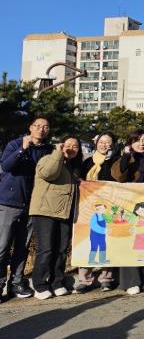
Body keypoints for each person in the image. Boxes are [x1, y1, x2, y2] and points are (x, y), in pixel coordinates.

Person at [0, 117, 53, 300]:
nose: (41, 129)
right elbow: (6, 166)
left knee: (22, 248)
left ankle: (16, 283)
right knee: (2, 246)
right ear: (30, 128)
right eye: (37, 126)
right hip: (9, 203)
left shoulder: (48, 150)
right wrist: (23, 148)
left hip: (32, 205)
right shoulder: (15, 144)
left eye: (45, 127)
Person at [111, 129, 144, 295]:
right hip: (127, 204)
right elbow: (118, 176)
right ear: (130, 143)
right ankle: (131, 281)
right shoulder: (125, 157)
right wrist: (126, 157)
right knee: (128, 241)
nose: (141, 144)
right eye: (137, 140)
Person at [30, 137, 82, 299]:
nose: (71, 148)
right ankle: (40, 284)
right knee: (46, 249)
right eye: (68, 145)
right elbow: (49, 173)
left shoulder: (72, 168)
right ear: (60, 146)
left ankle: (56, 282)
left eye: (76, 146)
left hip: (64, 212)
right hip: (45, 211)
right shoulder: (48, 159)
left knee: (61, 250)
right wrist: (58, 153)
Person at [75, 133, 118, 293]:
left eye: (108, 142)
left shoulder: (115, 161)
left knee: (108, 242)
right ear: (96, 143)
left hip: (108, 206)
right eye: (101, 142)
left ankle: (106, 278)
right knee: (86, 242)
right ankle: (84, 279)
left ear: (113, 145)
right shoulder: (87, 162)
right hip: (87, 207)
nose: (104, 145)